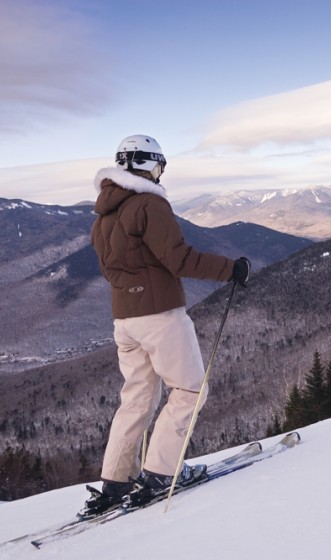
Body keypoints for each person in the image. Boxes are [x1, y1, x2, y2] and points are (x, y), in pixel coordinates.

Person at [85, 134, 250, 515]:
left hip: (124, 320)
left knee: (137, 398)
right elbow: (179, 259)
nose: (161, 174)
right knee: (190, 391)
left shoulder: (103, 216)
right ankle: (160, 473)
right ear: (146, 164)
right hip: (159, 316)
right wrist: (231, 269)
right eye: (160, 166)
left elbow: (115, 270)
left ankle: (115, 481)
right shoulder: (148, 204)